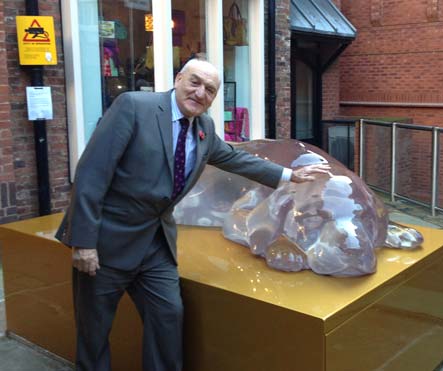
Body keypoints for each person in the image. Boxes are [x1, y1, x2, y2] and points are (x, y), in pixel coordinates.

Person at [55, 58, 329, 371]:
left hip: (156, 245)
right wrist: (84, 242)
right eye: (195, 82)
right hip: (106, 243)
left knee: (168, 319)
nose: (200, 93)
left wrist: (289, 175)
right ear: (178, 78)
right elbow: (92, 172)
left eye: (210, 90)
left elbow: (236, 160)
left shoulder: (204, 129)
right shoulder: (133, 107)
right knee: (94, 333)